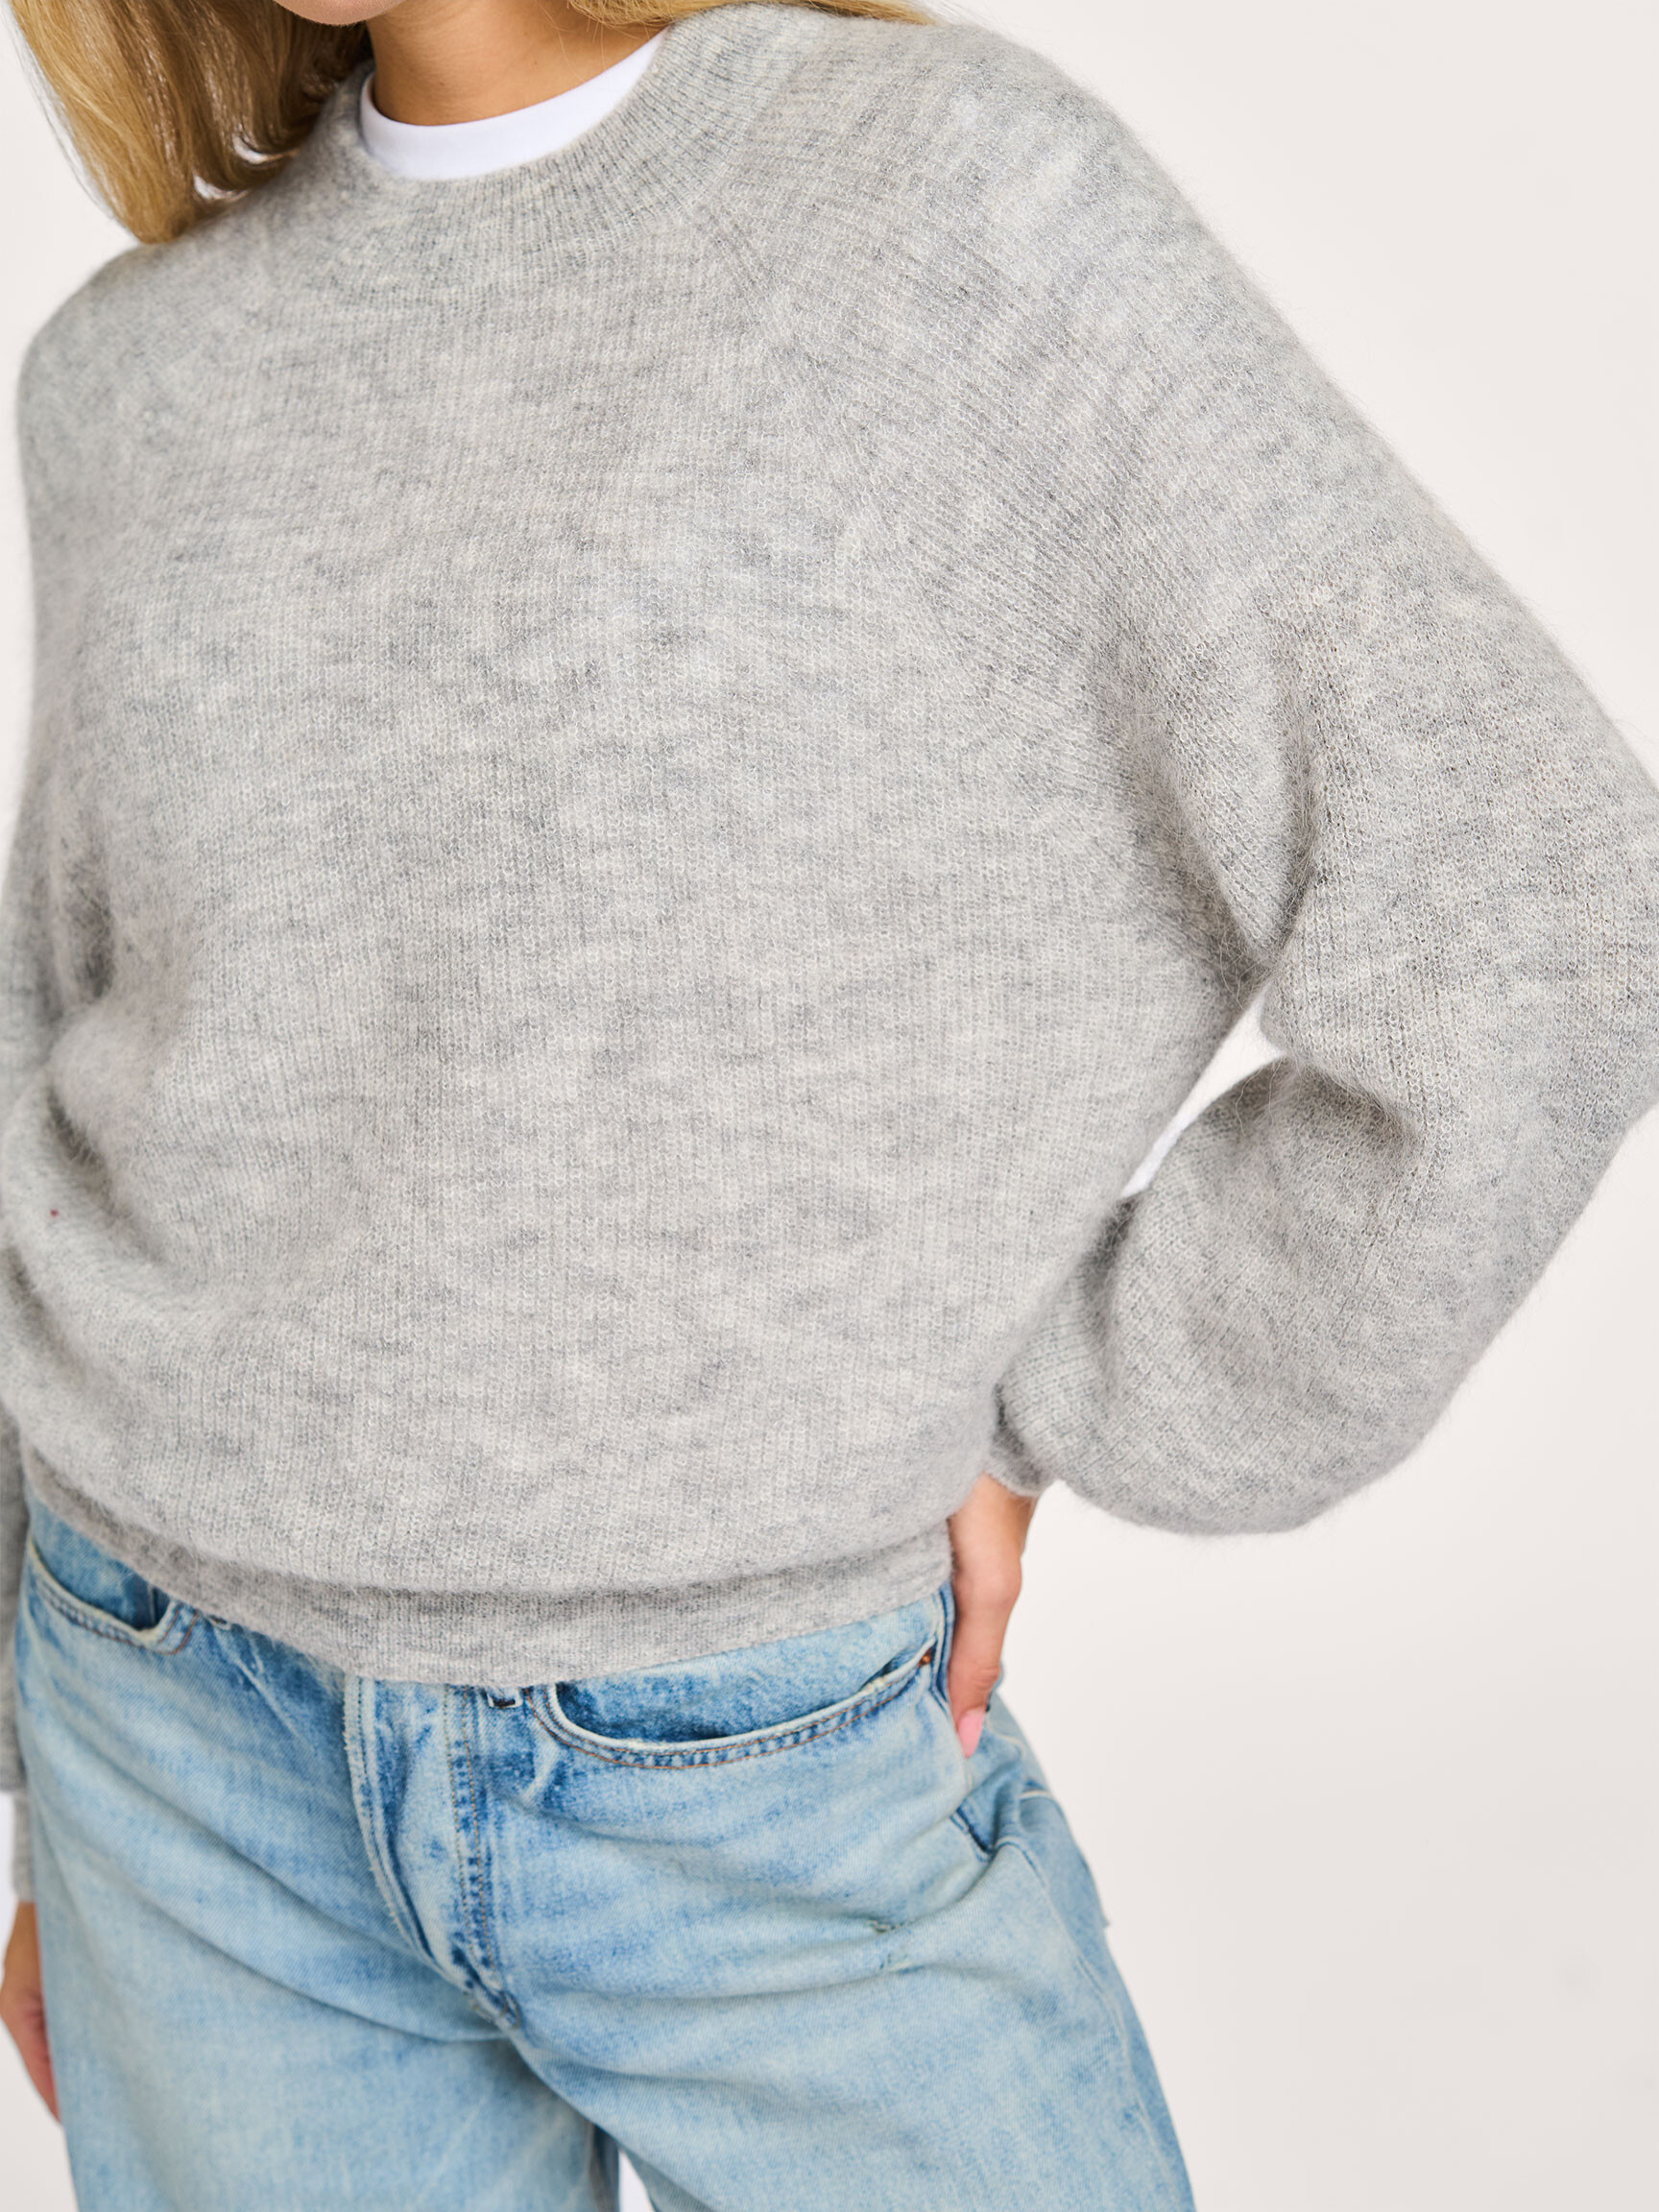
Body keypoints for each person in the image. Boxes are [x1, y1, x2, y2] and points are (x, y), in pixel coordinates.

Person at [0, 0, 1655, 2203]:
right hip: (166, 1744)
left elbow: (1535, 899)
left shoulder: (946, 206)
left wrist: (1079, 1401)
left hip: (756, 1766)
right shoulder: (125, 380)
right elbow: (55, 1062)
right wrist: (45, 1806)